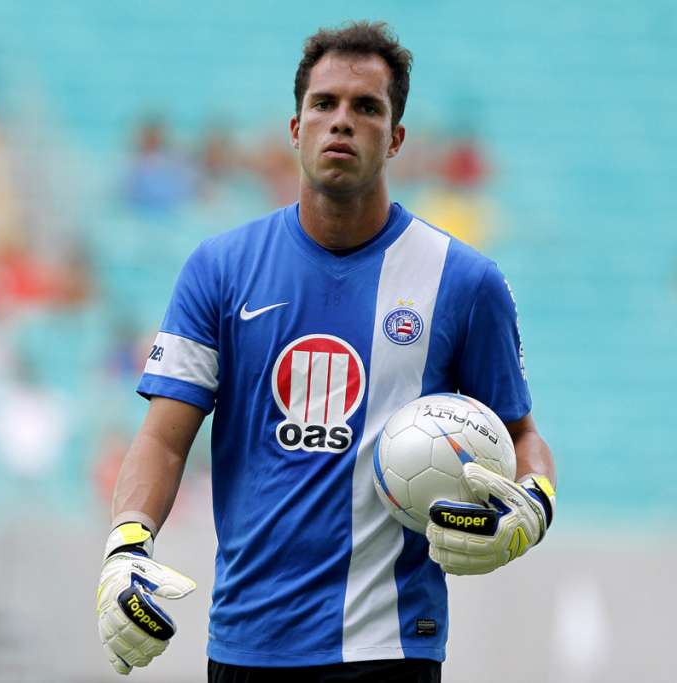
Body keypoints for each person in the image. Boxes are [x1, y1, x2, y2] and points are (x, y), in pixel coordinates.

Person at [95, 21, 557, 683]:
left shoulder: (463, 280)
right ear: (295, 128)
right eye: (324, 103)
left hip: (391, 648)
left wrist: (532, 507)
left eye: (366, 107)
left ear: (395, 138)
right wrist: (127, 544)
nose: (342, 120)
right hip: (247, 644)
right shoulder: (218, 269)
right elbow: (164, 440)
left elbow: (522, 435)